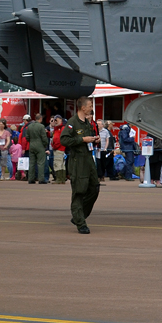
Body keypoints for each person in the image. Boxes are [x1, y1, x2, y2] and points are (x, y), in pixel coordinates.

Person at [59, 97, 100, 234]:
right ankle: (80, 222)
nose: (91, 107)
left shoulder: (87, 123)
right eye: (90, 105)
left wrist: (94, 140)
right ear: (83, 108)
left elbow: (89, 138)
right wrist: (82, 139)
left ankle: (79, 215)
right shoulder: (72, 123)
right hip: (78, 161)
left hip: (88, 159)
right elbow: (64, 139)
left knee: (94, 188)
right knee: (79, 191)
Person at [25, 113, 49, 184]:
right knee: (40, 163)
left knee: (32, 163)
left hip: (32, 145)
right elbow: (44, 138)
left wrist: (31, 142)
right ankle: (41, 179)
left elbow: (27, 137)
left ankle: (31, 178)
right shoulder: (41, 126)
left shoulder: (30, 126)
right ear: (40, 118)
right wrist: (45, 145)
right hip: (40, 146)